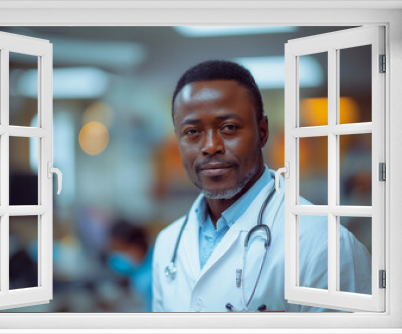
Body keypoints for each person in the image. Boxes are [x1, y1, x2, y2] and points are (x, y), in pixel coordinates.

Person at [151, 60, 371, 312]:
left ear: (263, 132)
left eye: (229, 127)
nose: (211, 146)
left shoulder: (323, 245)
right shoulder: (168, 245)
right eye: (192, 132)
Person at [107, 220, 153, 312]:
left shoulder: (152, 274)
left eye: (120, 249)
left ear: (136, 247)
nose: (116, 255)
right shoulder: (137, 270)